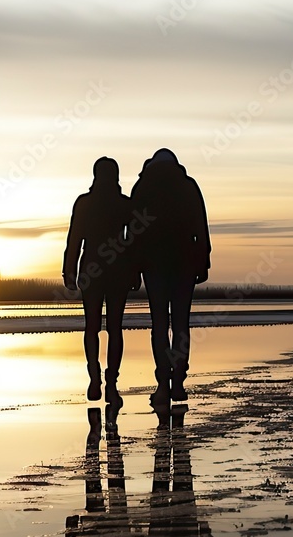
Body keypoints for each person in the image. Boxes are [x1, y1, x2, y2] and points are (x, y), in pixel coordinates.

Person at [130, 148, 211, 405]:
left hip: (154, 265)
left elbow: (133, 233)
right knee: (180, 324)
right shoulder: (188, 186)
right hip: (184, 263)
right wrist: (203, 260)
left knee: (159, 326)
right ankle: (178, 383)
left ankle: (163, 382)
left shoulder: (142, 187)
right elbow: (201, 226)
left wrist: (133, 267)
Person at [63, 157, 137, 402]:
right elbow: (133, 242)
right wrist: (135, 271)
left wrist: (69, 270)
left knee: (92, 327)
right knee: (114, 328)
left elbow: (74, 240)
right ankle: (111, 382)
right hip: (117, 271)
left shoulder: (84, 203)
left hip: (92, 270)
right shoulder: (124, 204)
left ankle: (96, 378)